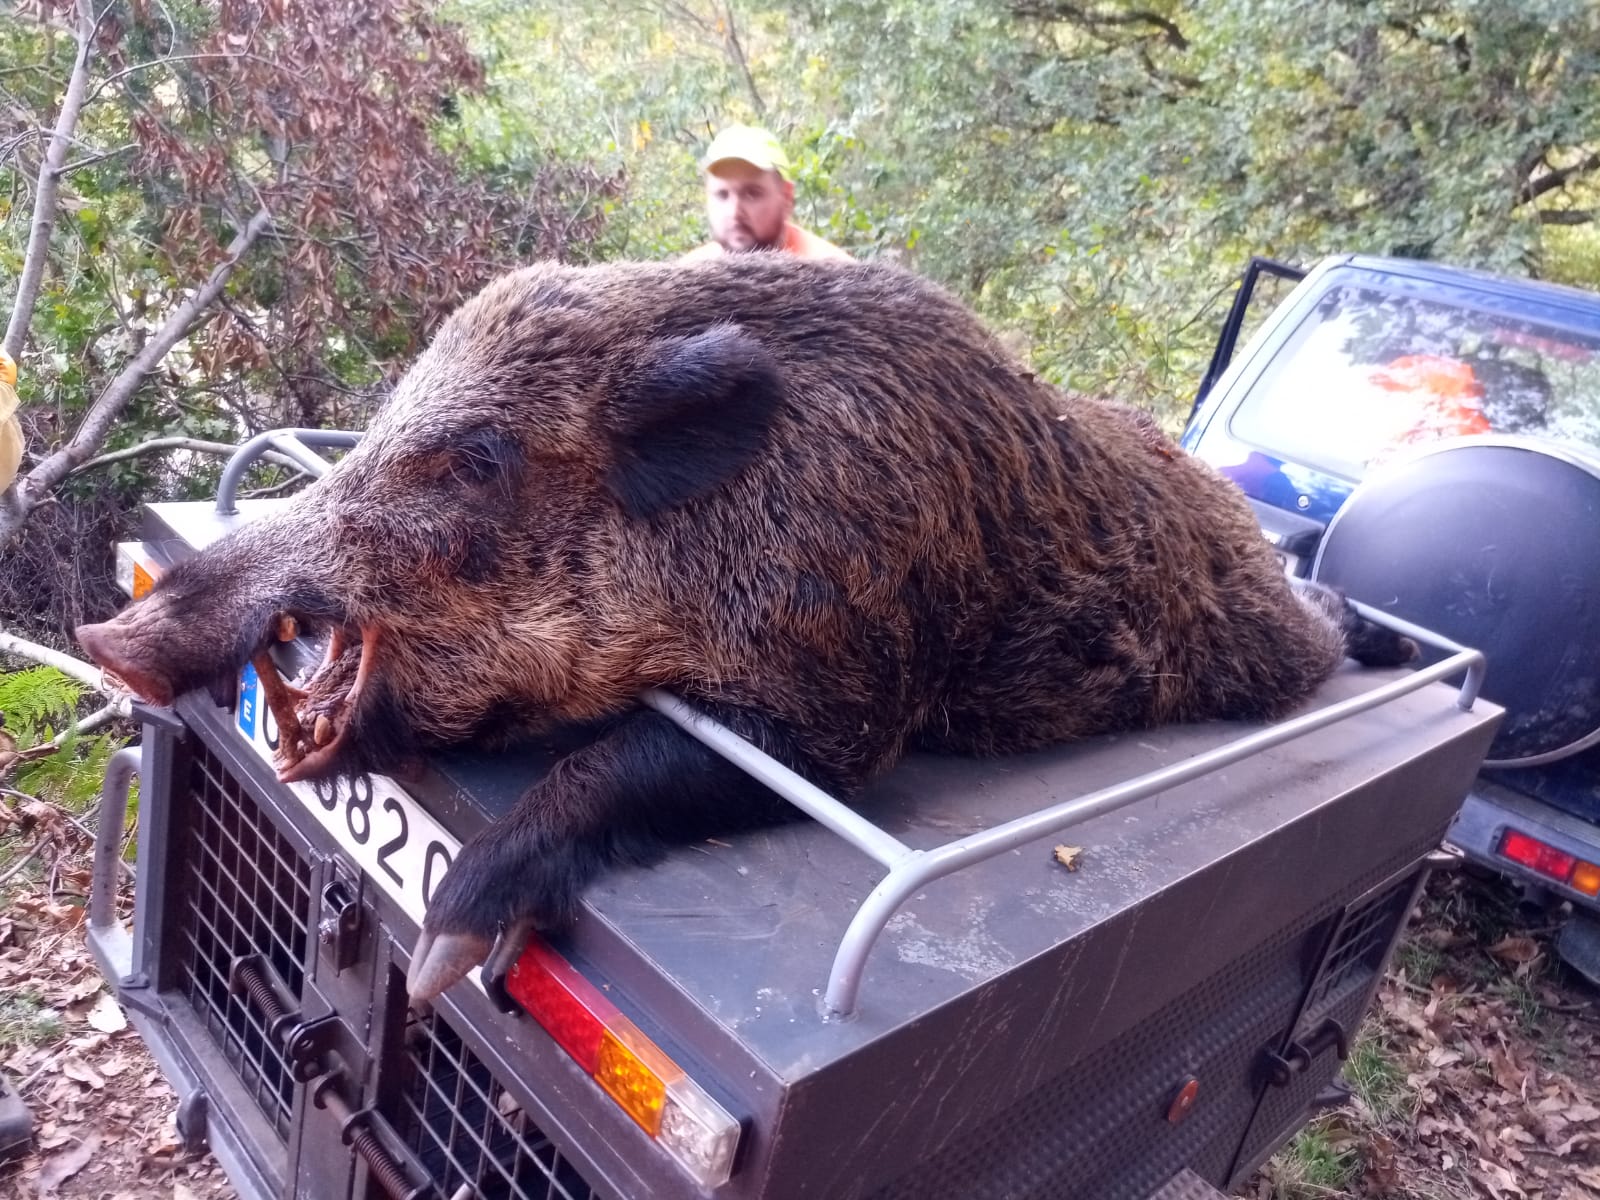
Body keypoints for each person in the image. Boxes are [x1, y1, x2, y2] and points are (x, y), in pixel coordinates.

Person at [682, 125, 852, 263]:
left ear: (786, 197)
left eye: (752, 194)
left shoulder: (835, 274)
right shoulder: (689, 276)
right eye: (722, 195)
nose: (734, 212)